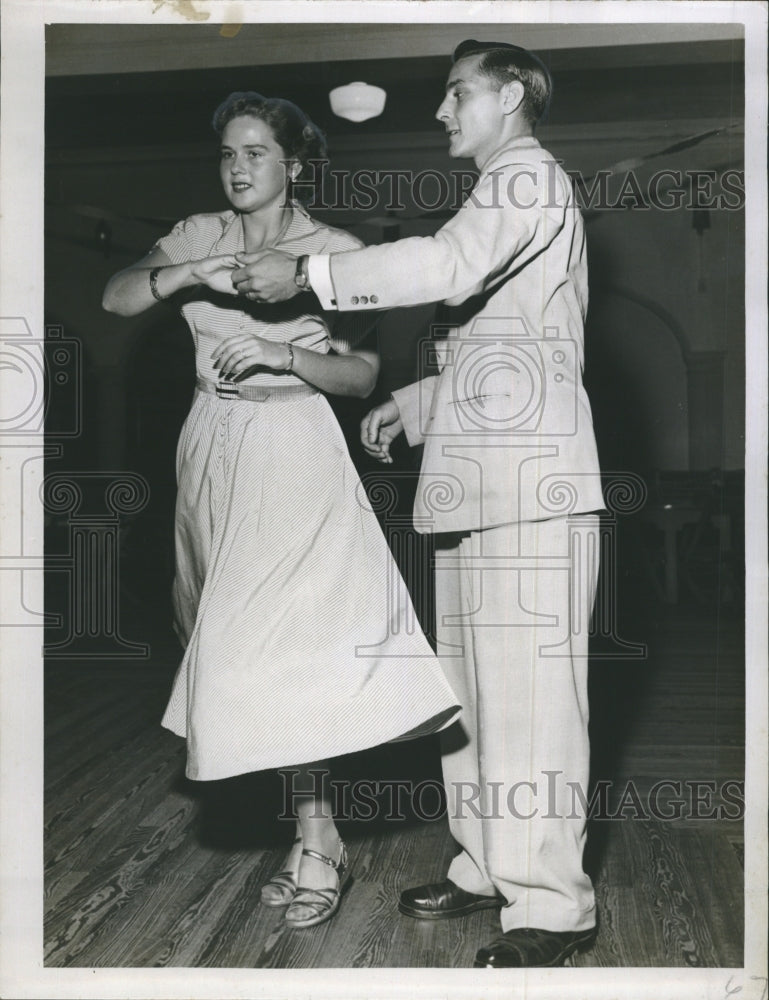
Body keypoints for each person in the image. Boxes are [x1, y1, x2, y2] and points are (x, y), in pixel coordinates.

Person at [227, 42, 605, 968]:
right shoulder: (500, 191)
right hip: (481, 481)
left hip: (531, 490)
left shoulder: (525, 178)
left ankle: (553, 904)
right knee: (468, 700)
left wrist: (313, 277)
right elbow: (507, 351)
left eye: (457, 93)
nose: (441, 113)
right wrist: (414, 401)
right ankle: (486, 866)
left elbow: (445, 266)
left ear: (512, 95)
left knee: (535, 707)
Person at [102, 91, 460, 931]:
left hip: (292, 448)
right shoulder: (195, 235)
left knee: (271, 641)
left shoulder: (331, 251)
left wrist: (282, 352)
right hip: (209, 447)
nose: (238, 167)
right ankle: (317, 826)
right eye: (228, 152)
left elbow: (364, 378)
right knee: (222, 640)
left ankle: (315, 835)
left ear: (293, 164)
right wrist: (186, 273)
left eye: (256, 152)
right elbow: (119, 296)